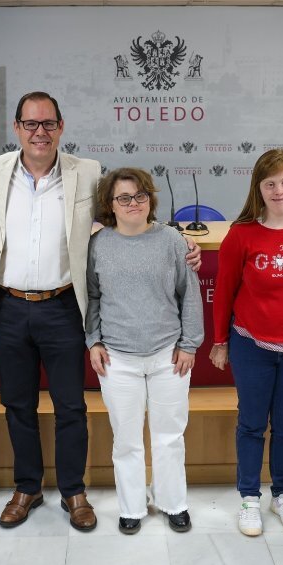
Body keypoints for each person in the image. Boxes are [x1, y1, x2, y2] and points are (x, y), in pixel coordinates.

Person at [0, 91, 200, 531]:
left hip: (63, 306)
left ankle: (73, 490)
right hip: (9, 305)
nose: (40, 132)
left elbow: (128, 212)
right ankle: (27, 487)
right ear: (17, 128)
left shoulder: (88, 173)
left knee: (70, 405)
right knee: (17, 403)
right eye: (31, 124)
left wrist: (178, 240)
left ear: (61, 127)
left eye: (48, 123)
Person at [210, 148, 283, 537]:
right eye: (270, 184)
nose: (279, 190)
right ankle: (249, 497)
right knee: (251, 423)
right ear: (258, 188)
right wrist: (220, 340)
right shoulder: (242, 233)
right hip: (252, 346)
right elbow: (224, 292)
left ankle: (282, 495)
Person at [85, 168, 204, 535]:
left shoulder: (172, 240)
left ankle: (173, 503)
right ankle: (132, 507)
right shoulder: (97, 245)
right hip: (117, 358)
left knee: (170, 435)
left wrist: (189, 344)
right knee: (126, 439)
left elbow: (190, 294)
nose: (133, 203)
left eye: (140, 196)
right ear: (110, 204)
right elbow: (92, 297)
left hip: (168, 355)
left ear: (150, 199)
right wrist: (93, 340)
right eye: (123, 198)